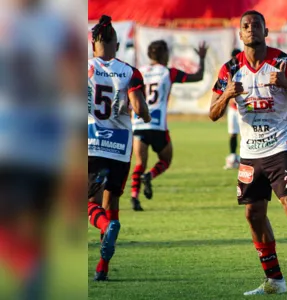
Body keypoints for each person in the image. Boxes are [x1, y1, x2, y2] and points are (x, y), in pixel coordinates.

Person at [209, 10, 287, 295]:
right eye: (246, 25)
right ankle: (274, 279)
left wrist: (285, 84)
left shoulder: (283, 63)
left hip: (283, 145)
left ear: (266, 32)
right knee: (253, 215)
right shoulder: (229, 69)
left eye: (257, 25)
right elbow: (213, 113)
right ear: (240, 34)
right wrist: (227, 94)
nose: (251, 29)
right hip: (251, 152)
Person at [88, 15, 151, 281]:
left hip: (90, 143)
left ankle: (104, 224)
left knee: (88, 204)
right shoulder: (129, 72)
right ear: (116, 43)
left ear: (93, 45)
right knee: (111, 201)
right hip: (119, 147)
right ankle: (103, 267)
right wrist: (145, 116)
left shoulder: (85, 67)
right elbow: (139, 108)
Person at [130, 40, 208, 211]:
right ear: (164, 54)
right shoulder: (168, 73)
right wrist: (202, 58)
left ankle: (134, 196)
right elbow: (198, 76)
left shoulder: (139, 72)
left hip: (138, 124)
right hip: (157, 126)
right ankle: (149, 176)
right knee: (166, 160)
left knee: (139, 163)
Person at [223, 48, 242, 170]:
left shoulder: (244, 71)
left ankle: (245, 158)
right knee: (233, 133)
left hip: (243, 107)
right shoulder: (229, 71)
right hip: (232, 108)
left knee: (245, 133)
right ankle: (233, 156)